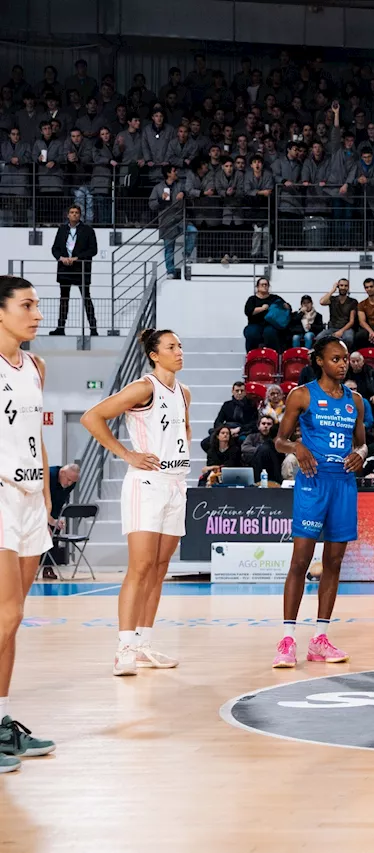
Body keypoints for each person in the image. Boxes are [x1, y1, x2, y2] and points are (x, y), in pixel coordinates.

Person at [80, 329, 190, 675]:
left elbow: (182, 432)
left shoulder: (184, 392)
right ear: (155, 355)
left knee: (159, 569)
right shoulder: (144, 388)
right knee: (140, 567)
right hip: (147, 483)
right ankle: (124, 646)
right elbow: (91, 416)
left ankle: (143, 644)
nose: (179, 351)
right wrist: (127, 454)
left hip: (176, 483)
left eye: (180, 346)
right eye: (172, 347)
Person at [271, 335, 367, 669]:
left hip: (343, 484)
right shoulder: (301, 395)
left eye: (346, 359)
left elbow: (363, 446)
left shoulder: (356, 400)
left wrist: (360, 456)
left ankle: (320, 639)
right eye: (336, 359)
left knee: (334, 562)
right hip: (313, 483)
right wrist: (297, 448)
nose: (343, 364)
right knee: (300, 560)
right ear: (320, 362)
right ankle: (287, 640)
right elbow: (279, 440)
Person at [0, 276, 57, 771]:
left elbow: (35, 438)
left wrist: (44, 497)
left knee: (12, 623)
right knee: (6, 613)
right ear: (0, 313)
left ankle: (2, 721)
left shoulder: (36, 366)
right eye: (27, 305)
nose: (37, 313)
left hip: (30, 500)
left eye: (38, 305)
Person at [50, 204, 98, 336]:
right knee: (64, 299)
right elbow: (54, 248)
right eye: (72, 212)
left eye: (76, 212)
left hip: (81, 268)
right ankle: (60, 327)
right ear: (68, 215)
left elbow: (93, 250)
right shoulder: (62, 230)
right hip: (65, 269)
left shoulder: (88, 230)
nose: (74, 214)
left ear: (80, 215)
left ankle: (93, 328)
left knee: (86, 298)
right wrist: (61, 258)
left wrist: (77, 258)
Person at [44, 463, 80, 571]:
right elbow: (40, 500)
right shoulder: (48, 475)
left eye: (73, 482)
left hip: (54, 508)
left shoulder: (71, 484)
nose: (70, 484)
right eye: (69, 480)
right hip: (37, 506)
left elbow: (60, 502)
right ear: (62, 473)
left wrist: (56, 521)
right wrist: (45, 522)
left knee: (54, 533)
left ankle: (48, 567)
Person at [243, 276, 288, 352]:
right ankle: (252, 356)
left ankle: (272, 356)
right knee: (252, 333)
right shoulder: (252, 299)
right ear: (257, 287)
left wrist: (287, 306)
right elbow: (248, 311)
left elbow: (285, 307)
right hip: (255, 324)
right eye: (262, 285)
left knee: (270, 333)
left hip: (271, 324)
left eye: (266, 284)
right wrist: (262, 308)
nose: (264, 286)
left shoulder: (274, 298)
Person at [319, 278, 357, 348]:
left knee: (348, 339)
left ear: (348, 287)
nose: (343, 287)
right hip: (332, 328)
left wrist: (341, 331)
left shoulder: (353, 301)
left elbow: (351, 321)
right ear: (338, 286)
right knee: (319, 338)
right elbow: (322, 302)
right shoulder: (332, 299)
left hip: (346, 328)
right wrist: (332, 290)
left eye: (346, 286)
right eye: (341, 285)